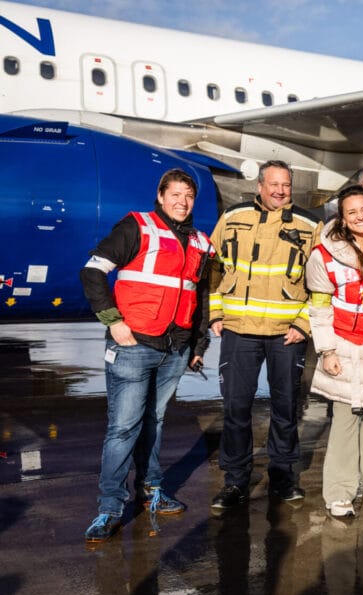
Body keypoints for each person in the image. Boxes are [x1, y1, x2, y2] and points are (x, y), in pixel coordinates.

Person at [80, 168, 214, 542]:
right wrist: (113, 321)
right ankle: (109, 508)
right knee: (124, 427)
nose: (182, 202)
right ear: (160, 196)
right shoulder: (137, 227)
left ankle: (151, 490)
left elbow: (200, 297)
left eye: (189, 195)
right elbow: (92, 272)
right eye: (175, 194)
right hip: (132, 345)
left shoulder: (201, 242)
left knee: (154, 422)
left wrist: (197, 347)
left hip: (175, 349)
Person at [208, 160, 322, 509]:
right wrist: (215, 313)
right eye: (273, 184)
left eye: (285, 184)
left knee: (286, 408)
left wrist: (303, 324)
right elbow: (213, 268)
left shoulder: (310, 225)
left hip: (286, 334)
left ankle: (283, 476)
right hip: (239, 330)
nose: (280, 191)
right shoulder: (232, 217)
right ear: (260, 186)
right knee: (235, 408)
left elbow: (321, 284)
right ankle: (235, 480)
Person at [306, 185, 363, 518]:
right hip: (344, 345)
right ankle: (339, 491)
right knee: (345, 418)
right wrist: (327, 350)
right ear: (341, 218)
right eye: (352, 212)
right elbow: (319, 308)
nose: (360, 217)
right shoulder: (323, 255)